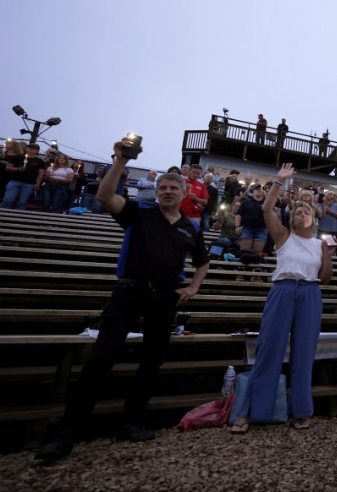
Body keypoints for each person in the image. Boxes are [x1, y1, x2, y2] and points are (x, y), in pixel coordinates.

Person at [36, 138, 209, 463]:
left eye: (174, 188)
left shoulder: (190, 228)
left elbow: (203, 261)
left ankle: (132, 422)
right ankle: (68, 432)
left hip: (166, 297)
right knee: (101, 358)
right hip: (129, 292)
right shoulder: (139, 214)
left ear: (184, 194)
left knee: (151, 362)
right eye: (164, 187)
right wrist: (120, 161)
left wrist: (194, 287)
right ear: (157, 192)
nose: (168, 191)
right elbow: (103, 196)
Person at [231, 164, 333, 433]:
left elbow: (324, 278)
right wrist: (278, 181)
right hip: (283, 289)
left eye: (306, 212)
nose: (302, 214)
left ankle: (300, 410)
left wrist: (329, 255)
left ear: (313, 219)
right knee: (270, 350)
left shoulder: (320, 244)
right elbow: (267, 210)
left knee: (304, 354)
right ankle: (251, 411)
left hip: (310, 292)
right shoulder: (283, 236)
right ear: (292, 218)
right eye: (298, 211)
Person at [0, 143, 45, 210]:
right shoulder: (18, 157)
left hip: (29, 183)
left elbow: (40, 173)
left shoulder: (40, 161)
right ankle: (3, 214)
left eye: (34, 148)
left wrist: (37, 183)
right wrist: (18, 169)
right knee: (8, 199)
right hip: (15, 181)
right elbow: (7, 168)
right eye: (30, 147)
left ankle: (18, 217)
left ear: (37, 151)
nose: (31, 149)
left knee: (22, 202)